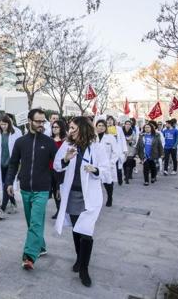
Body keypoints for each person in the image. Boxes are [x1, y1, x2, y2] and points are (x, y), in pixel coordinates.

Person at [54, 116, 110, 287]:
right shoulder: (68, 145)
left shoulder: (97, 147)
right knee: (77, 230)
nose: (70, 131)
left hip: (89, 197)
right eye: (69, 128)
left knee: (86, 232)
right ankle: (79, 258)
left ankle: (84, 269)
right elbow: (57, 165)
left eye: (73, 128)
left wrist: (96, 169)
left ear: (82, 128)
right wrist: (65, 159)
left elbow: (107, 173)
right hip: (72, 195)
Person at [5, 109, 58, 270]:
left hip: (42, 189)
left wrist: (57, 188)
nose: (41, 125)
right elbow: (13, 163)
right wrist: (9, 182)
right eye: (38, 121)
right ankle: (40, 246)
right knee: (32, 222)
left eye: (43, 122)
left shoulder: (49, 143)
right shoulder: (20, 142)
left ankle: (29, 256)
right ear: (29, 121)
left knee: (35, 222)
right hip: (26, 188)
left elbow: (57, 167)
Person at [0, 115, 22, 220]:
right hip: (1, 164)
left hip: (11, 165)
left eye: (5, 124)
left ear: (9, 124)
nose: (3, 126)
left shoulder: (14, 134)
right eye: (1, 124)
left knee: (7, 185)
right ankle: (14, 204)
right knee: (6, 185)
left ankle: (2, 210)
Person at [95, 120, 119, 207]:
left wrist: (111, 162)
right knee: (96, 183)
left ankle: (109, 197)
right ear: (96, 126)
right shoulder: (93, 138)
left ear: (106, 127)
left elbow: (116, 152)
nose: (101, 127)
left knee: (108, 182)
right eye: (99, 125)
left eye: (103, 126)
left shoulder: (110, 137)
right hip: (96, 165)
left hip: (108, 164)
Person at [50, 119, 67, 218]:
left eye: (56, 127)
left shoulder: (66, 140)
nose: (54, 129)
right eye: (53, 127)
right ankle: (59, 209)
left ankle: (63, 210)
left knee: (59, 189)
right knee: (54, 189)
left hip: (62, 169)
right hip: (51, 168)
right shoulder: (49, 139)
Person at [106, 116, 127, 185]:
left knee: (118, 166)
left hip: (118, 150)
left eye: (111, 120)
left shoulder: (118, 129)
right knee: (110, 166)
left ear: (114, 121)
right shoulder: (105, 129)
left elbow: (122, 139)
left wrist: (124, 150)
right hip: (109, 151)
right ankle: (110, 180)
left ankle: (120, 180)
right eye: (108, 120)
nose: (109, 121)